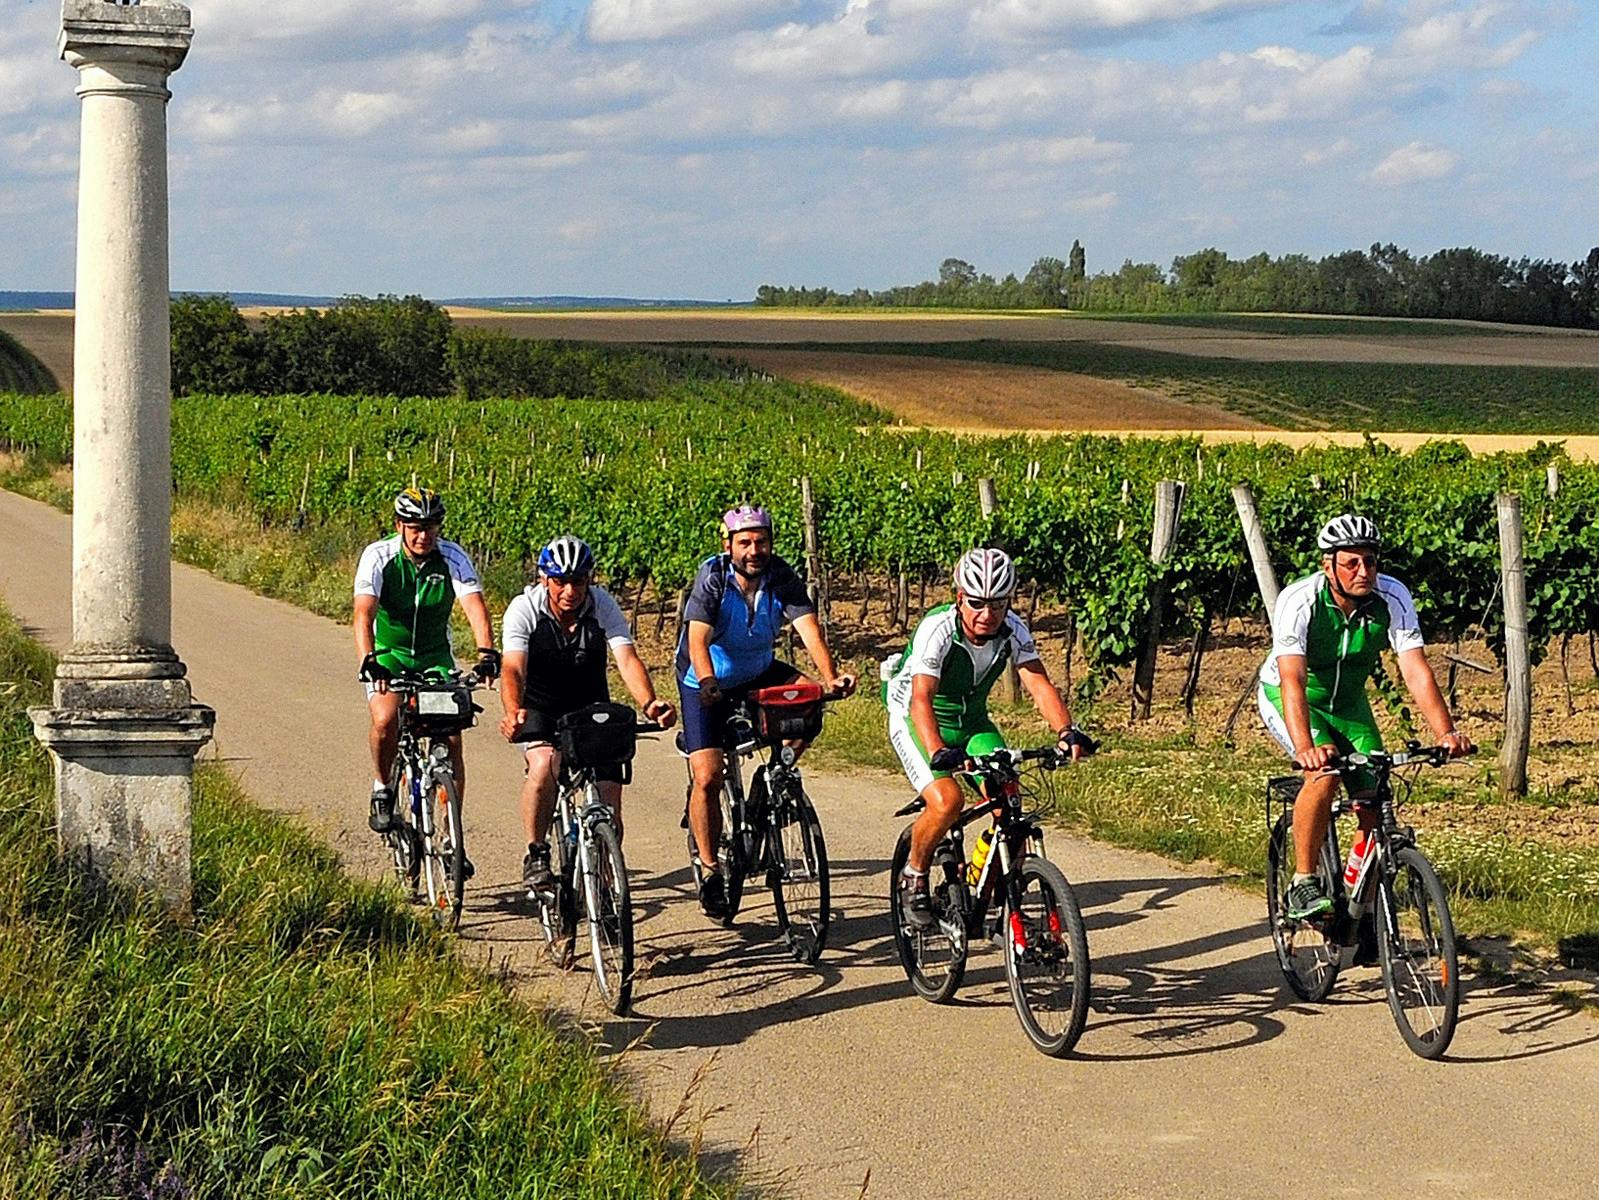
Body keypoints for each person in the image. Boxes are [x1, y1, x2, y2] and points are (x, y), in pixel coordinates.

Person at [1258, 514, 1473, 922]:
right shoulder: (1299, 599)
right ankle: (1303, 880)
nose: (1363, 572)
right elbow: (1292, 678)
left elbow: (1415, 669)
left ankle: (1363, 910)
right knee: (1323, 776)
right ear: (1328, 565)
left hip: (1350, 704)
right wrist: (1306, 747)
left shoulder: (1392, 597)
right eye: (1351, 563)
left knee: (1374, 796)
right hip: (1294, 697)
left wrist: (1446, 732)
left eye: (1370, 561)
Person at [884, 547, 1090, 928]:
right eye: (976, 603)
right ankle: (914, 873)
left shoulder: (1013, 629)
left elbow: (1039, 684)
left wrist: (1066, 731)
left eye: (997, 604)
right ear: (959, 597)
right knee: (948, 801)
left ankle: (990, 885)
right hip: (917, 719)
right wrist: (938, 752)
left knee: (1010, 806)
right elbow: (921, 699)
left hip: (973, 723)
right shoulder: (938, 628)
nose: (987, 614)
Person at [677, 504, 855, 917]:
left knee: (809, 702)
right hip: (707, 679)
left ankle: (780, 773)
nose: (754, 550)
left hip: (758, 669)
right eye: (745, 543)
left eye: (761, 542)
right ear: (729, 545)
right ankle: (709, 872)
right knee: (707, 775)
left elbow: (808, 628)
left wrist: (830, 677)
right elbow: (697, 641)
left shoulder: (781, 577)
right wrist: (706, 684)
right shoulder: (714, 579)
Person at [499, 535, 676, 897]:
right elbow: (513, 668)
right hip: (542, 708)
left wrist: (650, 703)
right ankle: (536, 852)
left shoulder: (601, 606)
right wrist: (514, 711)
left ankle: (608, 880)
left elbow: (626, 658)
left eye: (578, 581)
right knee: (544, 765)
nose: (570, 590)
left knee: (610, 798)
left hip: (589, 708)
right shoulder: (525, 609)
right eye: (560, 581)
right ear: (544, 579)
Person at [355, 487, 499, 837]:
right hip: (389, 653)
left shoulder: (452, 557)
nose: (424, 535)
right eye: (415, 527)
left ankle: (453, 832)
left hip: (434, 656)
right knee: (386, 718)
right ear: (399, 525)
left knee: (451, 736)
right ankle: (382, 787)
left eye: (431, 527)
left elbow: (475, 608)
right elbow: (363, 613)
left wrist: (486, 653)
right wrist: (369, 660)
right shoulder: (379, 556)